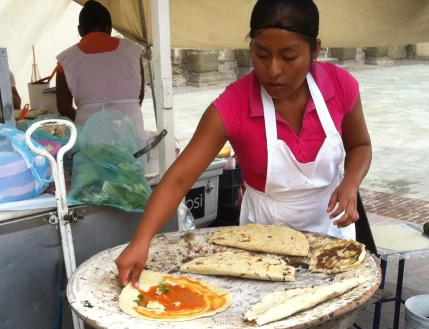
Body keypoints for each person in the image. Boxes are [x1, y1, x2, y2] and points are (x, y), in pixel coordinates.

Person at [116, 0, 372, 287]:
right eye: (261, 55)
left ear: (315, 50)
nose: (273, 70)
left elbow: (360, 145)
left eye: (289, 57)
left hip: (331, 232)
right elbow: (178, 180)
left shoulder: (340, 86)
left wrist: (350, 183)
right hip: (263, 240)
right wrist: (141, 240)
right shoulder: (233, 104)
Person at [56, 0, 146, 135]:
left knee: (93, 156)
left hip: (89, 128)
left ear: (80, 30)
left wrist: (86, 122)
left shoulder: (66, 59)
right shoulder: (133, 51)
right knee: (133, 155)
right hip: (130, 124)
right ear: (109, 28)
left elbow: (63, 108)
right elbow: (140, 95)